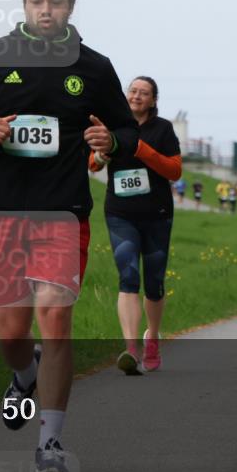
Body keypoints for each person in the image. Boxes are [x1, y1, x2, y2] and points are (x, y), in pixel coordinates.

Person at [0, 0, 139, 472]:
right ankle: (21, 374)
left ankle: (49, 442)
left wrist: (111, 141)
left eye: (56, 1)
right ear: (24, 3)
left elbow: (127, 132)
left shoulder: (93, 68)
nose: (46, 9)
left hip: (63, 211)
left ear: (70, 6)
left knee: (55, 317)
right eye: (37, 1)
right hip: (3, 211)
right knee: (11, 333)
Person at [90, 77, 181, 376]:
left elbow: (174, 170)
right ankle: (130, 349)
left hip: (156, 213)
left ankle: (152, 337)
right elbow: (93, 164)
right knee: (128, 276)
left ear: (154, 100)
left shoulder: (163, 129)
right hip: (120, 212)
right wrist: (102, 154)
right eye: (133, 91)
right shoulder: (113, 124)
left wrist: (142, 150)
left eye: (144, 93)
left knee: (153, 284)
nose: (137, 96)